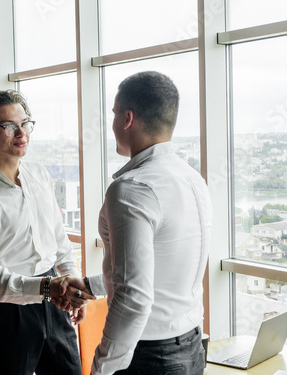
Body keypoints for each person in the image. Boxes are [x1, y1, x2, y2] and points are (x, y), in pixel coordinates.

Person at [57, 71, 213, 375]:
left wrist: (102, 367)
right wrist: (90, 286)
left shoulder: (132, 188)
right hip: (190, 347)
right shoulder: (192, 179)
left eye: (114, 114)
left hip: (146, 357)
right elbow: (157, 272)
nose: (112, 122)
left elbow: (134, 296)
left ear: (128, 118)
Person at [0, 89, 93, 375]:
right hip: (7, 313)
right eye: (8, 126)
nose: (21, 132)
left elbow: (59, 242)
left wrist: (72, 286)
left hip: (55, 301)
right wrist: (46, 288)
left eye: (25, 123)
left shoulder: (40, 174)